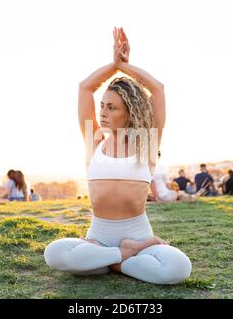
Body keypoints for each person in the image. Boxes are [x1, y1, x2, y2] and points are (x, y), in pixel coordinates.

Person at [44, 27, 192, 285]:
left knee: (178, 268)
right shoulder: (94, 141)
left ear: (129, 112)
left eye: (111, 108)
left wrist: (126, 66)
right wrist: (114, 65)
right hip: (98, 236)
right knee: (53, 253)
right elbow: (85, 87)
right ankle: (120, 258)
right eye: (102, 105)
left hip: (139, 238)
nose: (103, 113)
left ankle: (104, 261)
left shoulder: (146, 144)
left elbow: (157, 89)